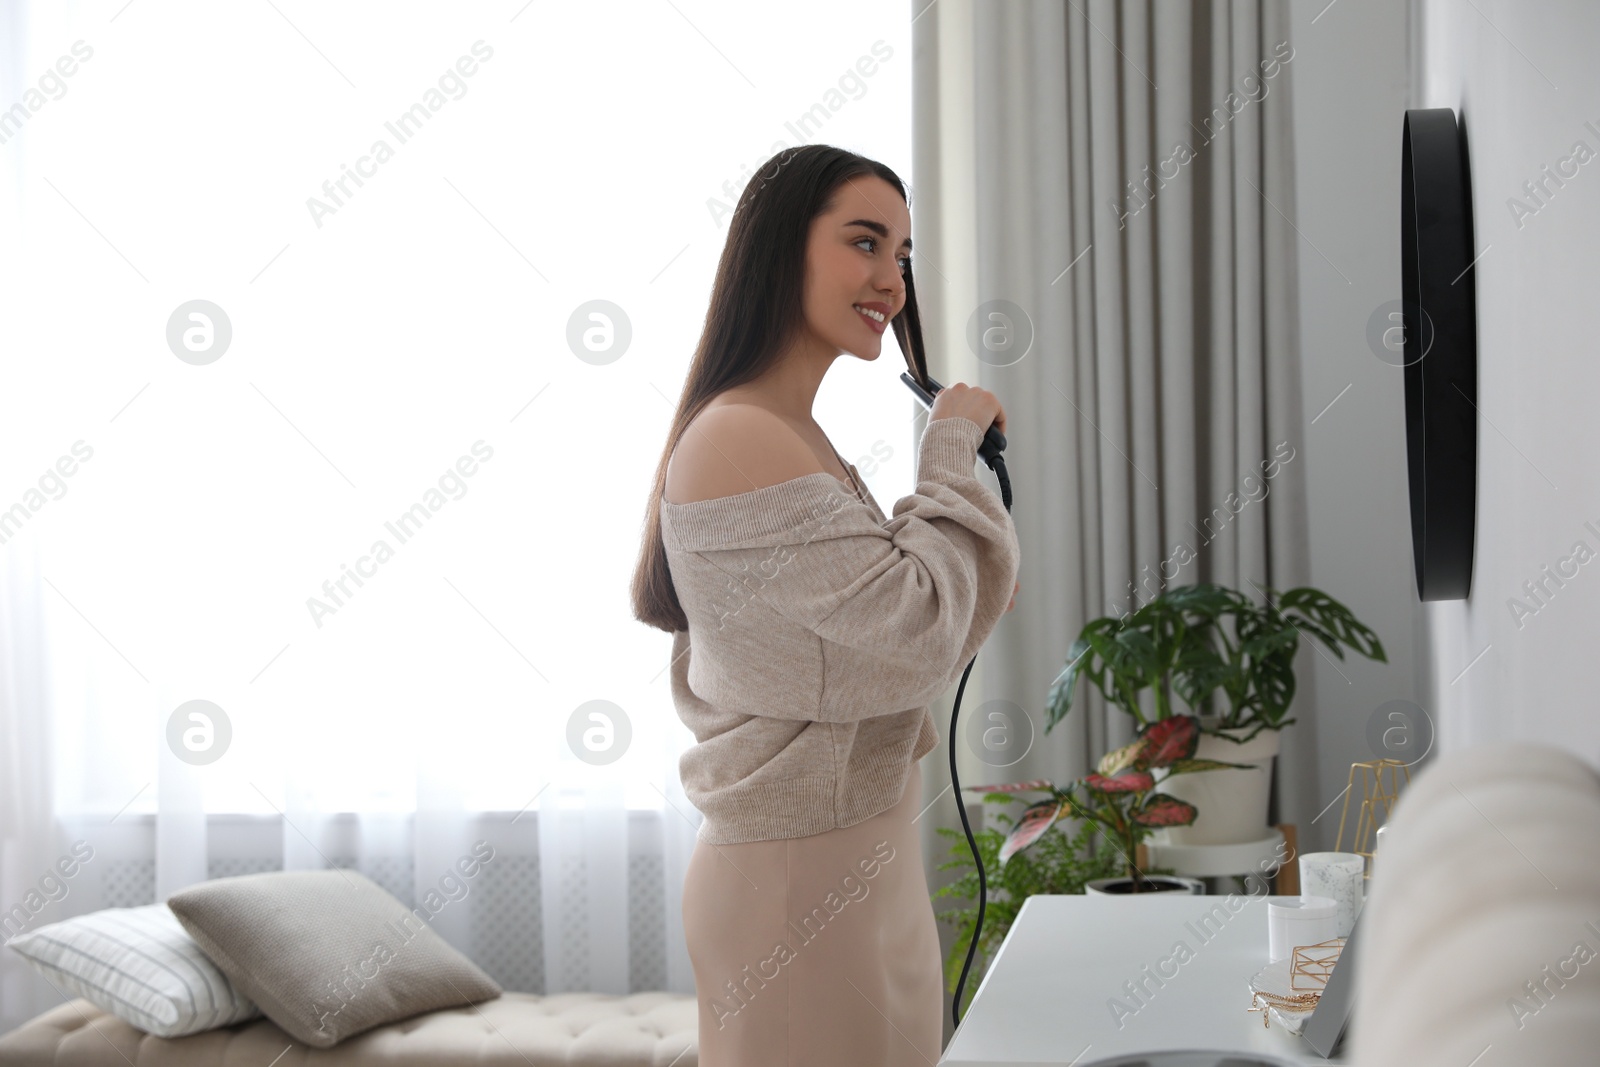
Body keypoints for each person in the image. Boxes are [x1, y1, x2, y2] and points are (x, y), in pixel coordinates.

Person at [630, 143, 1021, 1066]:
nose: (891, 278)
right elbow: (917, 629)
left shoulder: (787, 430)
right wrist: (950, 448)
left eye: (904, 255)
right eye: (864, 242)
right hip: (798, 883)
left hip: (849, 865)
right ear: (780, 248)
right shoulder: (741, 435)